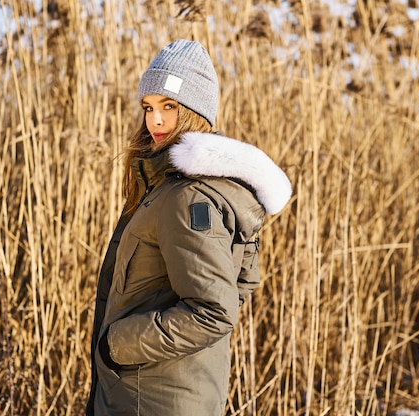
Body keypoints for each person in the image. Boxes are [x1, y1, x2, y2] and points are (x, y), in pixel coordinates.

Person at [85, 39, 292, 416]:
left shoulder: (187, 197)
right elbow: (239, 283)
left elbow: (214, 309)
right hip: (160, 389)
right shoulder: (175, 187)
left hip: (154, 397)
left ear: (197, 113)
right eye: (149, 107)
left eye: (170, 107)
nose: (156, 120)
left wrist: (116, 346)